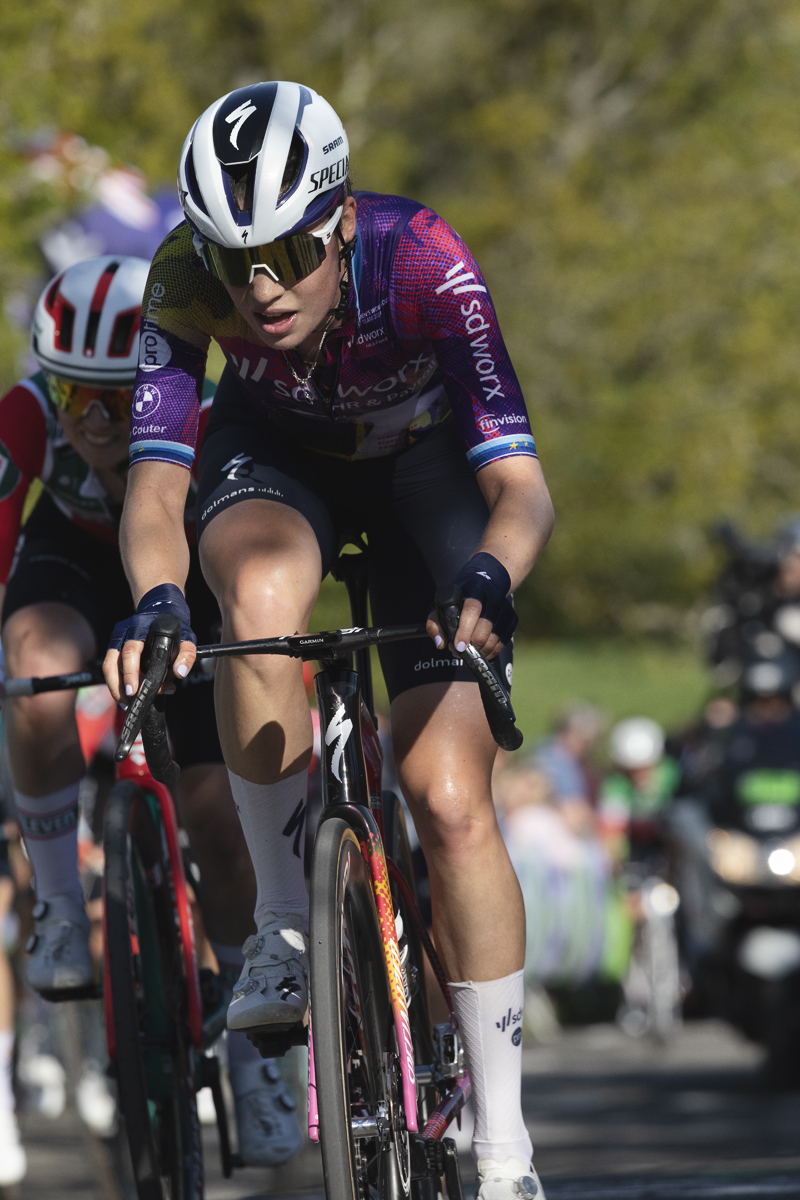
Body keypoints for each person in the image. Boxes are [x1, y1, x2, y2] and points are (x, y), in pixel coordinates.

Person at [104, 81, 554, 1199]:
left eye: (289, 253)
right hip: (277, 458)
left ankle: (504, 1145)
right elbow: (156, 493)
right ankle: (278, 927)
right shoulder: (176, 281)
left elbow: (519, 487)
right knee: (253, 591)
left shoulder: (422, 261)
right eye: (229, 258)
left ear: (340, 219)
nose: (258, 290)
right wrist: (159, 600)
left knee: (446, 794)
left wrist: (490, 576)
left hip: (425, 478)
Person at [0, 256, 301, 1166]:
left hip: (185, 567)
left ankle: (257, 1066)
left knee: (213, 810)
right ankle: (57, 903)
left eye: (117, 401)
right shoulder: (23, 417)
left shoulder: (208, 419)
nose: (92, 425)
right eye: (71, 397)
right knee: (32, 661)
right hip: (78, 557)